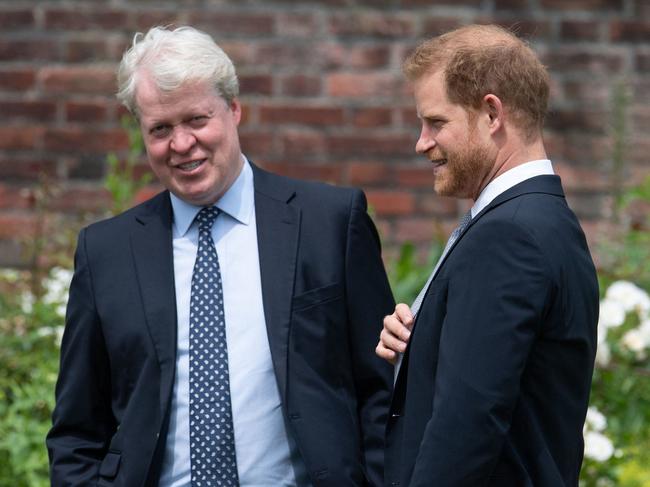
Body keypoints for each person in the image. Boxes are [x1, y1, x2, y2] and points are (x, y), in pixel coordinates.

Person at [47, 25, 394, 487]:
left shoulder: (328, 223)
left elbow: (381, 391)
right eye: (160, 129)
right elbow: (76, 431)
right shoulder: (105, 252)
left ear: (233, 109)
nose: (181, 143)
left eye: (196, 119)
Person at [375, 24, 599, 486]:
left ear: (491, 113)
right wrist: (415, 345)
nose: (422, 142)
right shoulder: (543, 222)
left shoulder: (508, 236)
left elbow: (466, 426)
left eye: (436, 122)